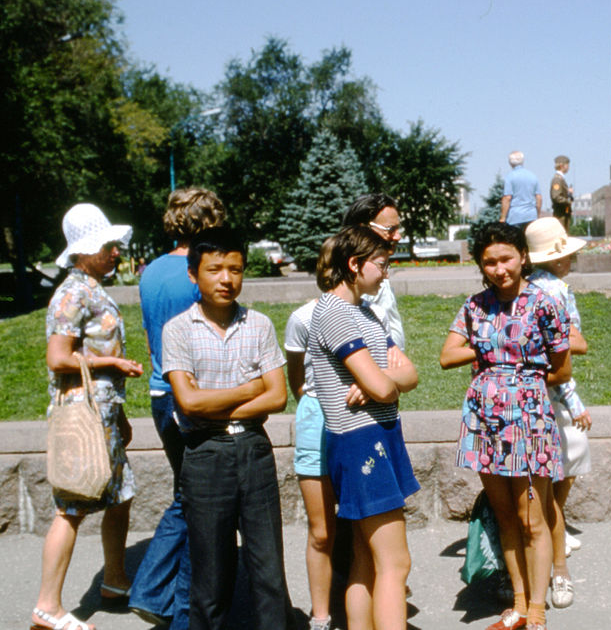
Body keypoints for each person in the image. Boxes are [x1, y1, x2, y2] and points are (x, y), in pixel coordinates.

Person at [439, 222, 572, 630]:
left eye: (506, 258)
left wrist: (521, 383)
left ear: (523, 257)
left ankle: (537, 607)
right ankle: (517, 600)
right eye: (489, 262)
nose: (499, 269)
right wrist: (485, 349)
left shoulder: (544, 303)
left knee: (532, 516)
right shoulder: (474, 306)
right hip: (484, 419)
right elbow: (447, 355)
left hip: (529, 417)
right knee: (505, 515)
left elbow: (562, 368)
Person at [161, 227, 290, 630]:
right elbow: (189, 402)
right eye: (214, 269)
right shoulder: (178, 330)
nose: (226, 279)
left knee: (268, 571)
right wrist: (251, 387)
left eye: (235, 269)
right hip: (204, 455)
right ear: (193, 274)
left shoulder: (259, 325)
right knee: (211, 577)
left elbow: (278, 397)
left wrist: (218, 403)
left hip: (253, 449)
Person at [32, 203, 143, 630]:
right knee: (72, 508)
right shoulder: (74, 292)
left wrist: (120, 414)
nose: (116, 252)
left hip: (104, 414)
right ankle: (47, 606)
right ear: (84, 250)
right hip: (84, 419)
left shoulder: (91, 287)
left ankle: (114, 581)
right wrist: (111, 365)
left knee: (121, 495)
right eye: (108, 246)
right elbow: (58, 357)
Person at [309, 226, 419, 630]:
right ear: (354, 265)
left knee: (365, 557)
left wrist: (384, 382)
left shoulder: (363, 310)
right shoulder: (336, 313)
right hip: (362, 440)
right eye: (382, 264)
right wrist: (382, 384)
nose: (386, 273)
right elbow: (385, 387)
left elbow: (409, 373)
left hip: (373, 437)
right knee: (395, 562)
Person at [130, 187, 226, 629]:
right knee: (201, 501)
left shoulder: (150, 272)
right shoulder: (197, 272)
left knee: (187, 494)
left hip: (158, 391)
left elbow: (152, 337)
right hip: (192, 394)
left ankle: (150, 590)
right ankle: (183, 607)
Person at [524, 217, 591, 610]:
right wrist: (574, 401)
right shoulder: (556, 292)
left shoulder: (527, 288)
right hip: (552, 395)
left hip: (531, 392)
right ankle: (558, 562)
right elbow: (565, 351)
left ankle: (553, 541)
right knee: (555, 481)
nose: (571, 259)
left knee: (545, 484)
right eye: (565, 254)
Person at [285, 239, 336, 630]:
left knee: (359, 523)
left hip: (359, 420)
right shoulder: (302, 318)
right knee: (321, 530)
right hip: (316, 419)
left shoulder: (369, 316)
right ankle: (320, 617)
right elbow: (297, 379)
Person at [342, 193, 406, 350]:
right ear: (363, 229)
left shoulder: (376, 270)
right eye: (390, 229)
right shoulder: (358, 276)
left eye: (398, 228)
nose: (398, 236)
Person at [500, 150, 543, 229]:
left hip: (515, 217)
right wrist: (538, 214)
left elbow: (507, 198)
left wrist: (503, 217)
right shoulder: (533, 176)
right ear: (523, 161)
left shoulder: (509, 177)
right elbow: (539, 197)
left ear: (510, 162)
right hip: (531, 216)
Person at [549, 155, 574, 233]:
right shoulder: (557, 179)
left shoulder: (560, 179)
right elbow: (556, 197)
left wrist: (568, 193)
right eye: (567, 165)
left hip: (564, 214)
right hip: (560, 215)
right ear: (562, 166)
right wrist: (568, 202)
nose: (568, 167)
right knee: (560, 237)